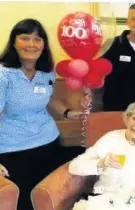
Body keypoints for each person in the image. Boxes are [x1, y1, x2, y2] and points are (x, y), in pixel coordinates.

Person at [0, 18, 83, 210]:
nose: (31, 44)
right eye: (25, 38)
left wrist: (68, 113)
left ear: (43, 44)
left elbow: (51, 98)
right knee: (24, 203)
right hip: (14, 150)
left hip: (48, 142)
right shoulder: (4, 75)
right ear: (14, 42)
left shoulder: (46, 72)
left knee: (50, 198)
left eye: (37, 39)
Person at [69, 101, 135, 210]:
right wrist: (100, 163)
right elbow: (74, 166)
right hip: (107, 198)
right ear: (128, 117)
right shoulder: (110, 138)